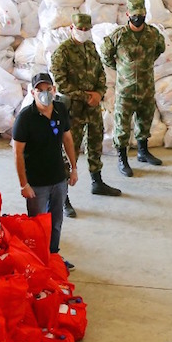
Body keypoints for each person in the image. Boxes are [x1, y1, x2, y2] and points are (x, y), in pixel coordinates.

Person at [50, 13, 121, 217]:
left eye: (86, 29)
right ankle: (62, 198)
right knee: (68, 151)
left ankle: (96, 181)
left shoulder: (90, 48)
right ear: (72, 28)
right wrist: (86, 96)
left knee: (95, 143)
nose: (83, 33)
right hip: (73, 110)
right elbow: (61, 84)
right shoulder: (62, 52)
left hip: (92, 107)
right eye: (79, 29)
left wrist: (99, 93)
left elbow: (101, 73)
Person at [12, 72, 79, 270]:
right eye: (39, 90)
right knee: (37, 225)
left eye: (48, 89)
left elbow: (67, 139)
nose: (44, 94)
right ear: (32, 93)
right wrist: (24, 184)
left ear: (54, 90)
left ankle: (53, 256)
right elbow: (17, 153)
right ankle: (37, 261)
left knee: (56, 221)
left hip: (58, 177)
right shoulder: (25, 118)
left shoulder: (60, 109)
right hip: (36, 183)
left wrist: (74, 168)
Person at [101, 0, 166, 177]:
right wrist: (121, 68)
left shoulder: (152, 34)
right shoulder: (119, 35)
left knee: (145, 121)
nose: (138, 17)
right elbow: (106, 55)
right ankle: (122, 159)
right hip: (126, 90)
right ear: (128, 14)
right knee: (122, 126)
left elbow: (160, 49)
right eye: (135, 14)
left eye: (141, 14)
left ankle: (143, 152)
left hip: (146, 87)